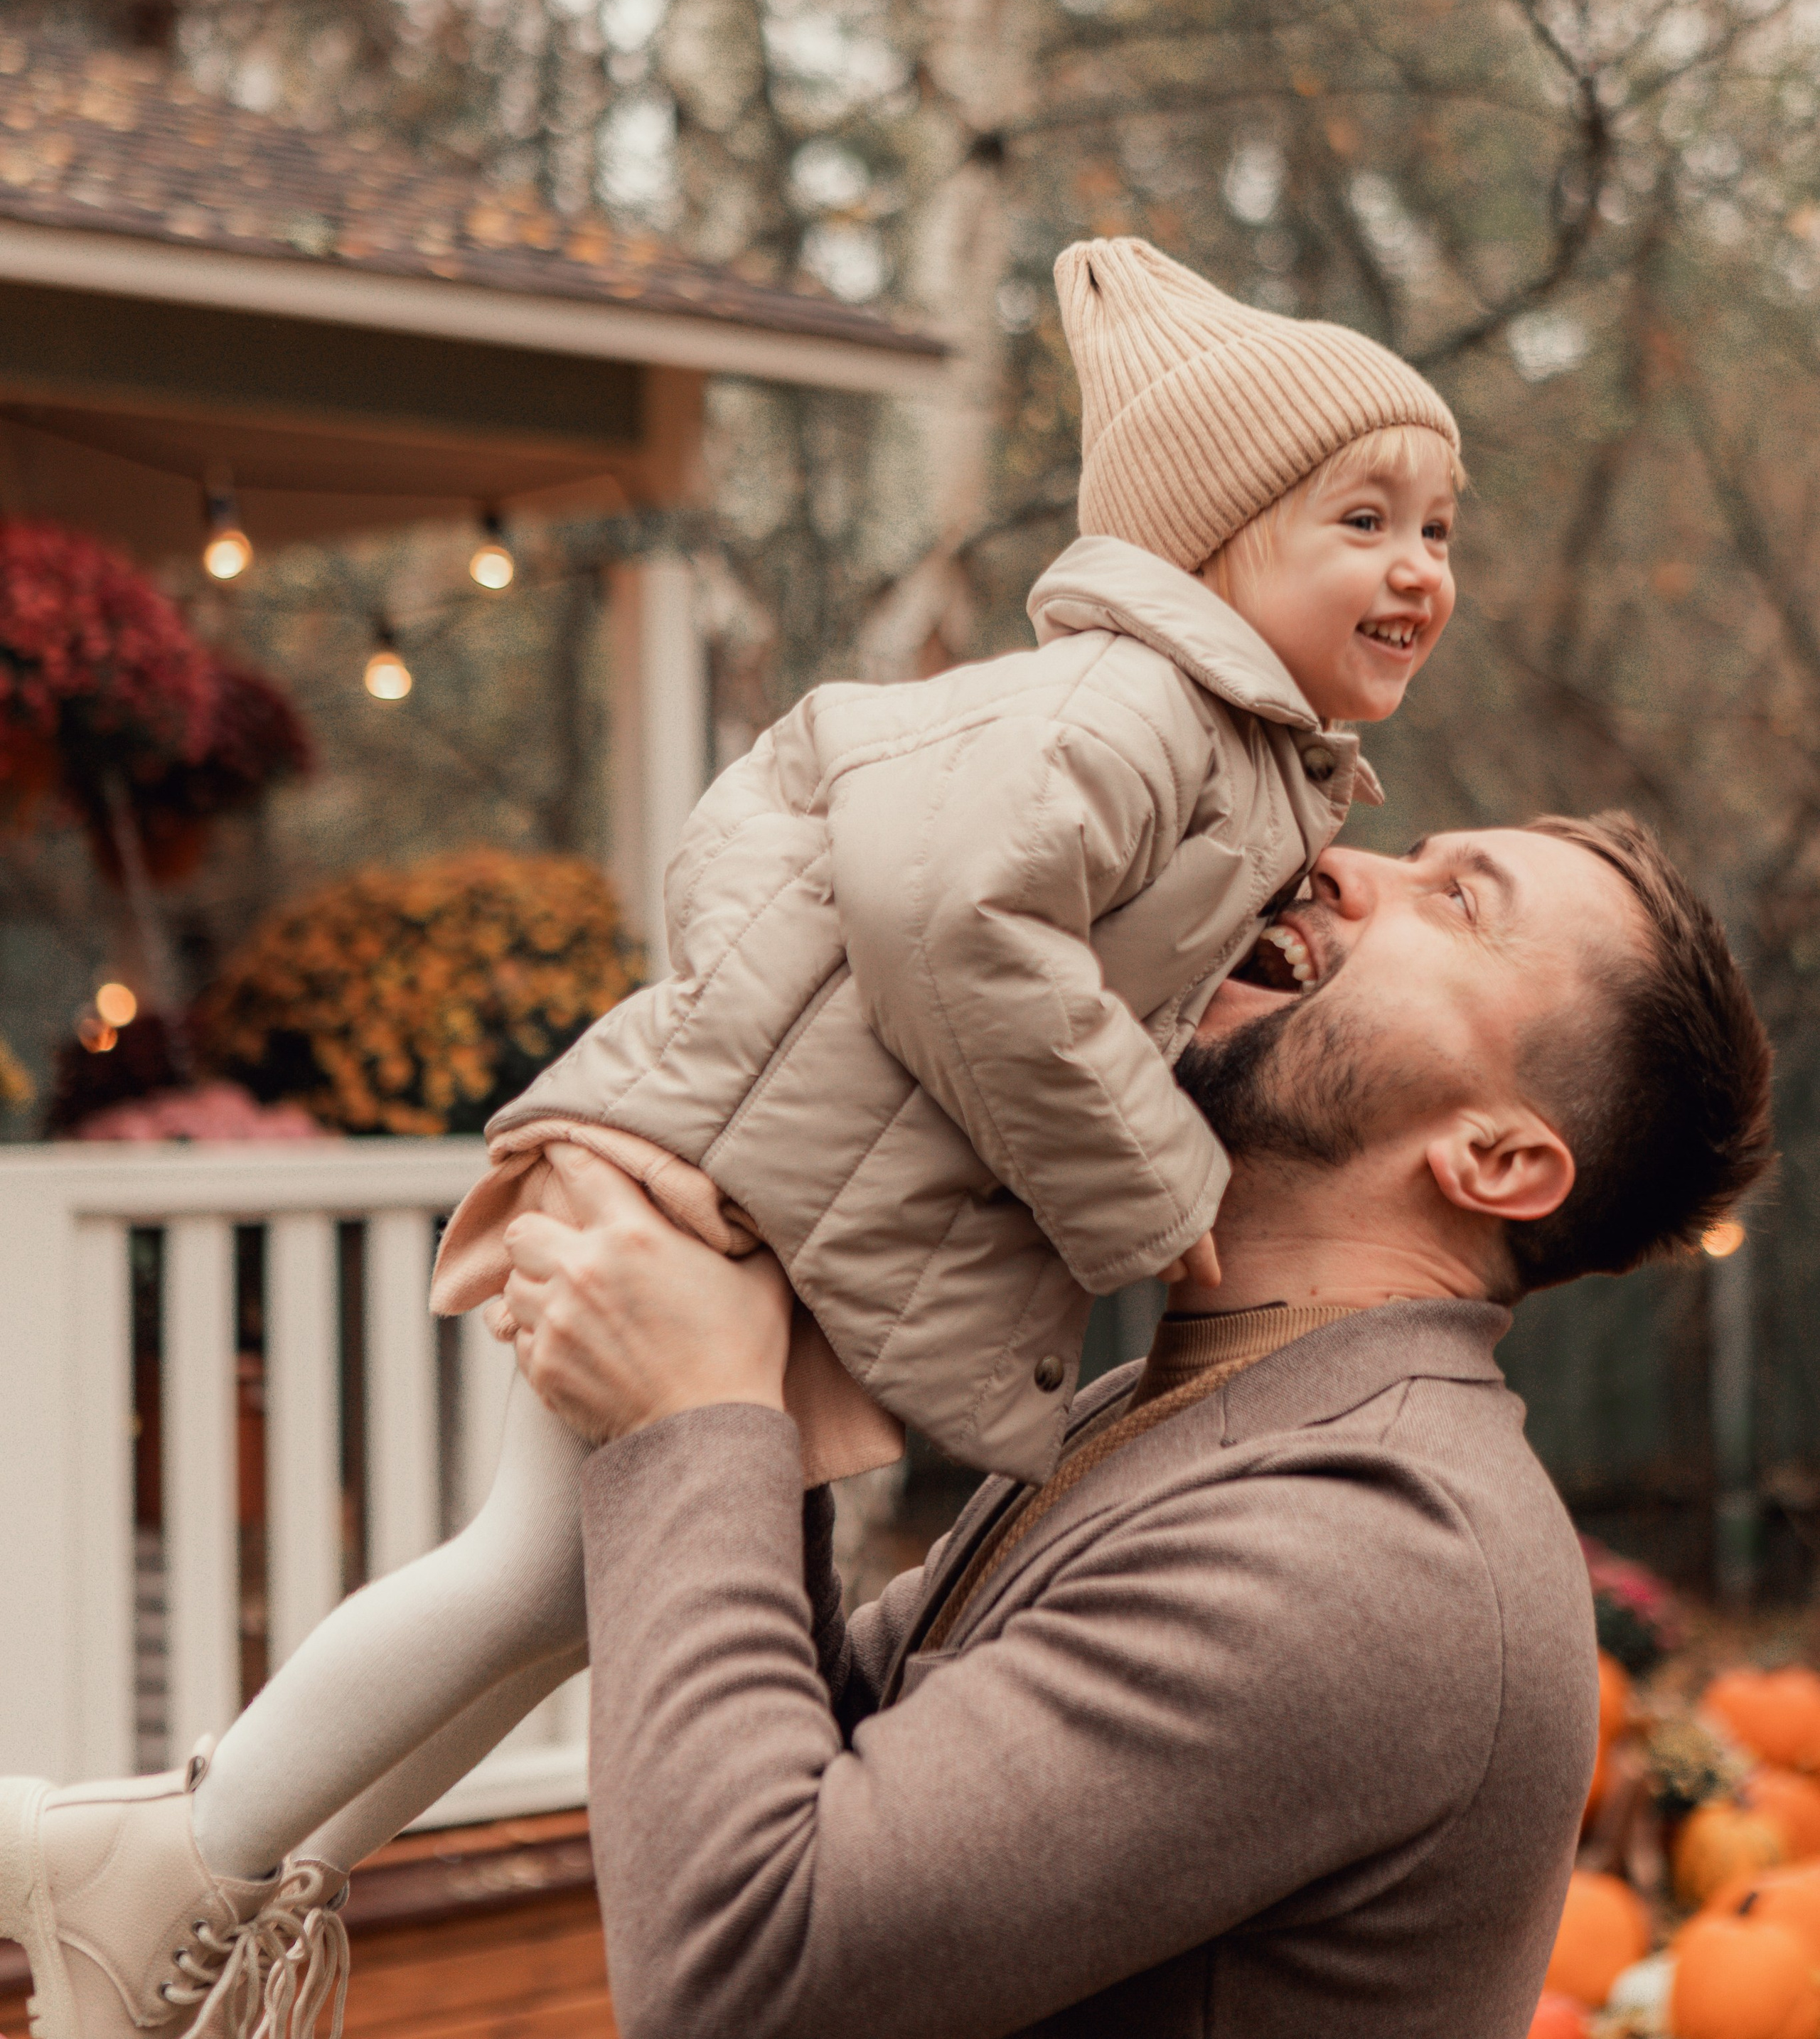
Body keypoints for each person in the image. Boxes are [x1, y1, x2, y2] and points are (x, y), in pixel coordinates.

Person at [0, 237, 1474, 2032]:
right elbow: (946, 915)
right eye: (1361, 521)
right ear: (1211, 545)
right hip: (707, 1186)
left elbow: (904, 878)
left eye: (1436, 528)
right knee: (521, 1574)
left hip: (772, 1201)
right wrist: (1146, 1178)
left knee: (562, 1599)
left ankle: (206, 1888)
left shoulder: (1221, 751)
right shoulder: (1122, 704)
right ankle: (155, 1860)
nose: (1417, 566)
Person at [505, 809, 1773, 2039]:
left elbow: (743, 1968)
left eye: (1456, 902)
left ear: (1495, 1159)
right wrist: (747, 1377)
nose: (1338, 863)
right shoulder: (1181, 1409)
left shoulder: (1381, 1551)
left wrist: (696, 1410)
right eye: (1413, 854)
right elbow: (847, 1743)